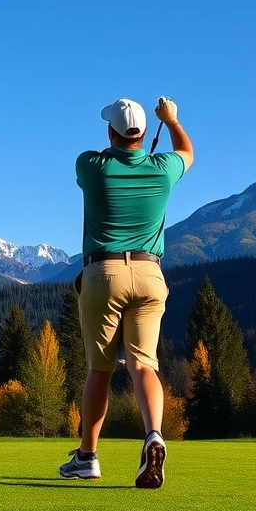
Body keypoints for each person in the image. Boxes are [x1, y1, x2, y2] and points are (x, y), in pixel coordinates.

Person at [58, 97, 193, 488]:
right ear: (145, 133)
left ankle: (87, 457)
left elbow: (100, 157)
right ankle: (153, 434)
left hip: (103, 273)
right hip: (151, 275)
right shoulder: (164, 169)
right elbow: (186, 151)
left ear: (110, 132)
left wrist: (123, 146)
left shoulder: (91, 164)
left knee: (99, 369)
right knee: (144, 365)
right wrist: (171, 120)